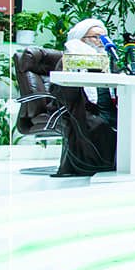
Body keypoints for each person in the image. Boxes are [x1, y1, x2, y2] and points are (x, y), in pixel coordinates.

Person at [50, 18, 118, 175]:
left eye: (103, 37)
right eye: (95, 37)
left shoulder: (108, 61)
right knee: (98, 125)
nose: (101, 41)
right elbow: (59, 88)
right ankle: (98, 167)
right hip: (84, 108)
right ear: (81, 39)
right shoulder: (68, 60)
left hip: (109, 107)